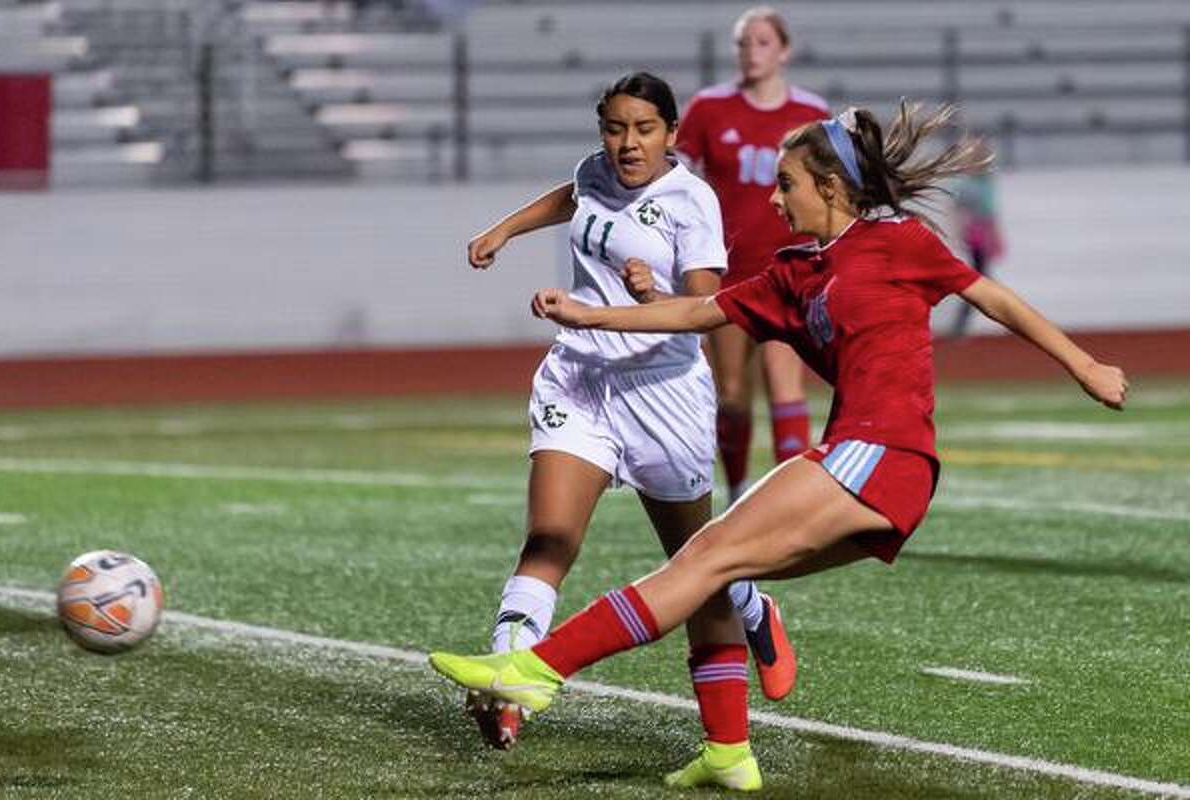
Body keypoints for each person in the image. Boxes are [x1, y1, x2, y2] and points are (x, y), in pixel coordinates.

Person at [430, 101, 1128, 791]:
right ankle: (729, 752)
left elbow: (993, 298)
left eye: (786, 183)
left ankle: (535, 670)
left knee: (706, 556)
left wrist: (1084, 364)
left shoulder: (900, 243)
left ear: (829, 188)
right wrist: (591, 313)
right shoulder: (795, 274)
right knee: (713, 570)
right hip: (869, 470)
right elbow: (699, 311)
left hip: (882, 455)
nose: (774, 198)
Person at [459, 72, 796, 755]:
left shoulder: (691, 199)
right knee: (549, 537)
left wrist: (655, 288)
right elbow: (573, 193)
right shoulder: (595, 170)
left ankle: (754, 611)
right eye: (614, 129)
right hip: (579, 379)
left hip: (662, 394)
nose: (627, 143)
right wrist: (505, 229)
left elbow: (704, 306)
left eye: (643, 130)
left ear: (672, 134)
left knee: (695, 562)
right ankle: (508, 691)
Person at [676, 7, 830, 506]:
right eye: (744, 43)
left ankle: (786, 502)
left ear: (784, 51)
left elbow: (832, 190)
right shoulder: (709, 108)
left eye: (762, 42)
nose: (751, 52)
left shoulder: (810, 113)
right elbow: (676, 179)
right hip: (728, 274)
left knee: (787, 389)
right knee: (733, 396)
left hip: (791, 270)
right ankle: (740, 491)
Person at [948, 147, 1005, 338]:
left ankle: (963, 324)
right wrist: (959, 233)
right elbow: (958, 211)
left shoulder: (985, 183)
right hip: (976, 234)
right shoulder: (965, 184)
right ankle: (961, 324)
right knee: (979, 280)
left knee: (982, 278)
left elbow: (991, 213)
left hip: (984, 232)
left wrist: (995, 236)